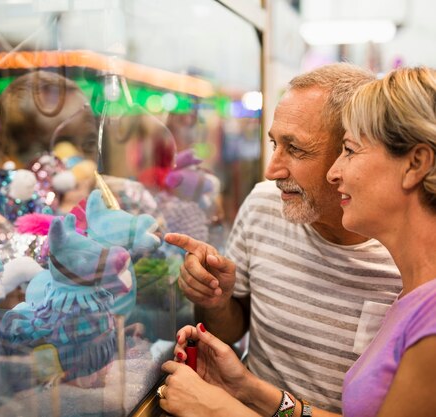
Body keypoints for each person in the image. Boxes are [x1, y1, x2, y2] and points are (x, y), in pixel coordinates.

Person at [159, 66, 436, 417]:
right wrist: (247, 387)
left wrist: (218, 410)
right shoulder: (415, 288)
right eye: (275, 144)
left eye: (350, 150)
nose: (272, 170)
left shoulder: (418, 290)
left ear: (415, 164)